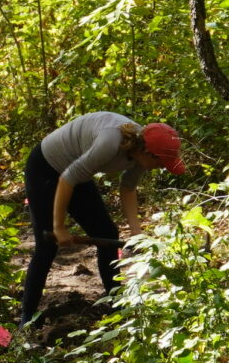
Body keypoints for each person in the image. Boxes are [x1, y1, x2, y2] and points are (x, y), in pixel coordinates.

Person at [19, 113, 185, 324]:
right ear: (149, 153)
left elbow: (128, 188)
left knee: (107, 234)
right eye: (163, 163)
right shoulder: (111, 143)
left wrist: (137, 233)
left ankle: (117, 303)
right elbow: (67, 178)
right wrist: (59, 226)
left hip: (75, 173)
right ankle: (27, 318)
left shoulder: (142, 151)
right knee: (47, 246)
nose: (163, 168)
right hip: (45, 167)